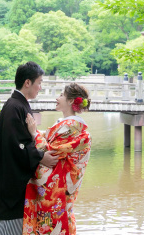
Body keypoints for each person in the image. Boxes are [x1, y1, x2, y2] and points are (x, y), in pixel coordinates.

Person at [0, 61, 58, 235]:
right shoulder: (14, 107)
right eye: (39, 82)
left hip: (6, 181)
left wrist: (35, 137)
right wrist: (40, 156)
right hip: (7, 187)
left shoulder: (18, 105)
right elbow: (16, 146)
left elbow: (22, 141)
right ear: (27, 82)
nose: (40, 87)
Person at [23, 83, 92, 235]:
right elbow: (48, 139)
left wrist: (34, 134)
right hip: (60, 184)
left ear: (70, 101)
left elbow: (50, 152)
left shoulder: (72, 127)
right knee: (60, 218)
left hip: (58, 186)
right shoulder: (66, 124)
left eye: (61, 95)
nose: (57, 98)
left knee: (54, 219)